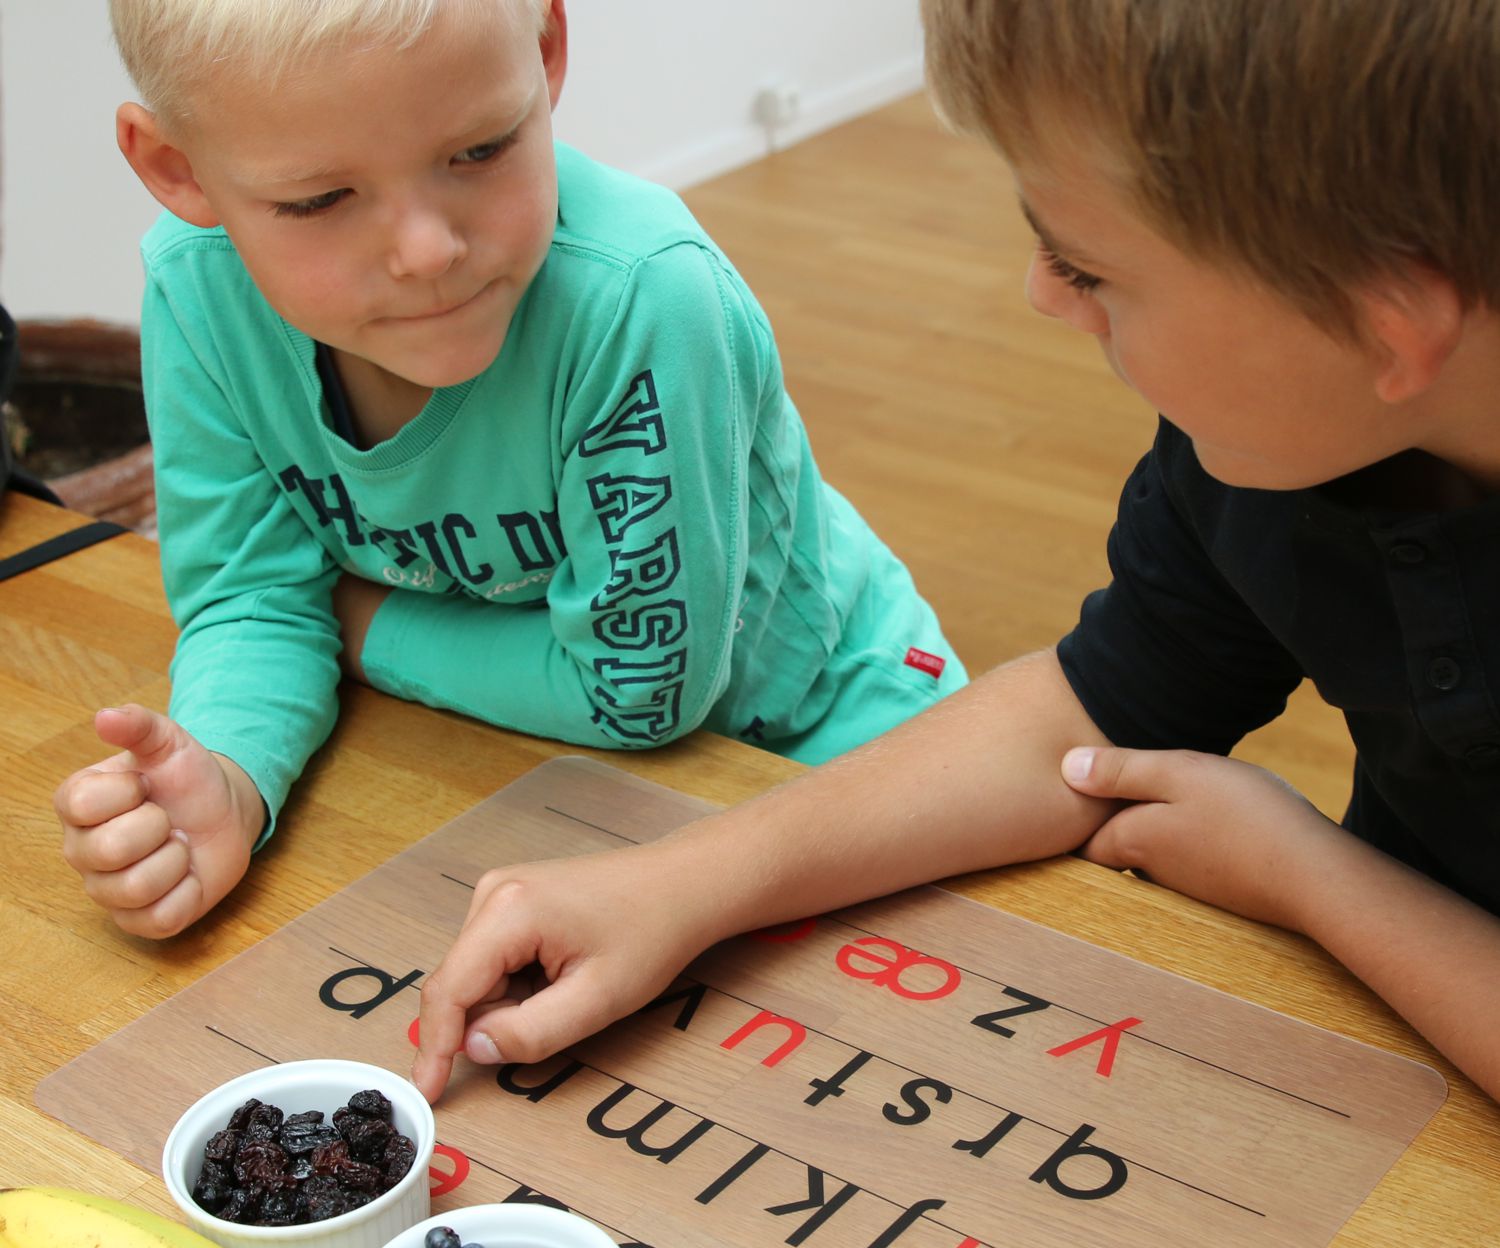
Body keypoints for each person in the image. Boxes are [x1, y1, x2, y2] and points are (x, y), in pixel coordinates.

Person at [406, 0, 1500, 1108]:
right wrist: (679, 886)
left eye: (1086, 265)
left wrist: (1310, 875)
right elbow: (1091, 711)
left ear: (1385, 328)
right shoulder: (1275, 440)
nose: (1042, 294)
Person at [51, 0, 965, 939]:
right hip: (539, 777)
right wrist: (232, 774)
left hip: (837, 751)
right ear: (176, 169)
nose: (428, 253)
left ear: (547, 47)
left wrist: (354, 622)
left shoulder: (645, 299)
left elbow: (636, 693)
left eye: (480, 150)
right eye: (320, 200)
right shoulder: (197, 289)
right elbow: (250, 602)